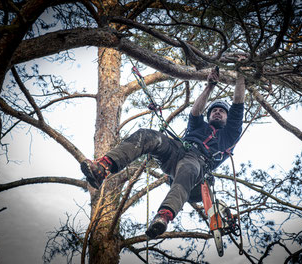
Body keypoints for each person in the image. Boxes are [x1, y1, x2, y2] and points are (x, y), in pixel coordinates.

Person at [80, 67, 246, 239]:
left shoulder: (229, 136)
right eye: (214, 111)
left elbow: (238, 103)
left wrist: (241, 73)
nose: (217, 112)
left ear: (228, 119)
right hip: (178, 149)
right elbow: (195, 112)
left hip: (197, 162)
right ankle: (103, 168)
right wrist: (209, 87)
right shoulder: (199, 126)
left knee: (187, 171)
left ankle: (164, 216)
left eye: (221, 111)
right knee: (148, 136)